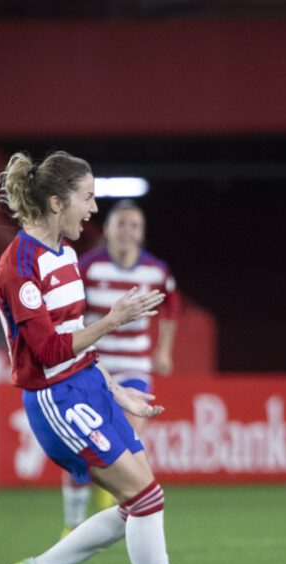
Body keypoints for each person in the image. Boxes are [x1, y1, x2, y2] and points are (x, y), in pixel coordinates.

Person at [0, 151, 219, 564]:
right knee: (145, 496)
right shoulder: (19, 265)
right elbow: (51, 351)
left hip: (87, 387)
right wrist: (114, 319)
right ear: (57, 203)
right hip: (55, 400)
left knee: (144, 499)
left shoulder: (67, 254)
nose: (93, 209)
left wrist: (117, 392)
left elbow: (77, 346)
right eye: (87, 198)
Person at [58, 200, 182, 535]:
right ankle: (72, 523)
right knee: (79, 444)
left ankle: (127, 504)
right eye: (121, 224)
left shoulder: (155, 271)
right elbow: (67, 307)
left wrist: (165, 349)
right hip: (92, 364)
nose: (127, 232)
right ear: (108, 229)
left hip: (133, 365)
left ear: (142, 234)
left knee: (132, 429)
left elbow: (172, 305)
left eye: (134, 226)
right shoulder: (89, 266)